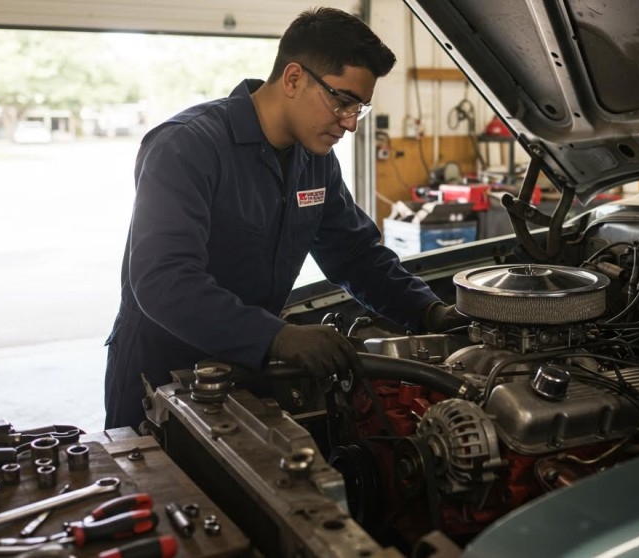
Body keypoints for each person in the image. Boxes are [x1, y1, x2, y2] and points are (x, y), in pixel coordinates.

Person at [103, 7, 467, 430]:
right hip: (159, 378)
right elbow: (162, 280)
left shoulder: (315, 161)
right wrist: (274, 336)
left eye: (360, 108)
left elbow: (355, 255)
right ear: (293, 78)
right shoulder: (186, 147)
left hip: (249, 368)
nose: (350, 123)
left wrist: (428, 311)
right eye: (343, 101)